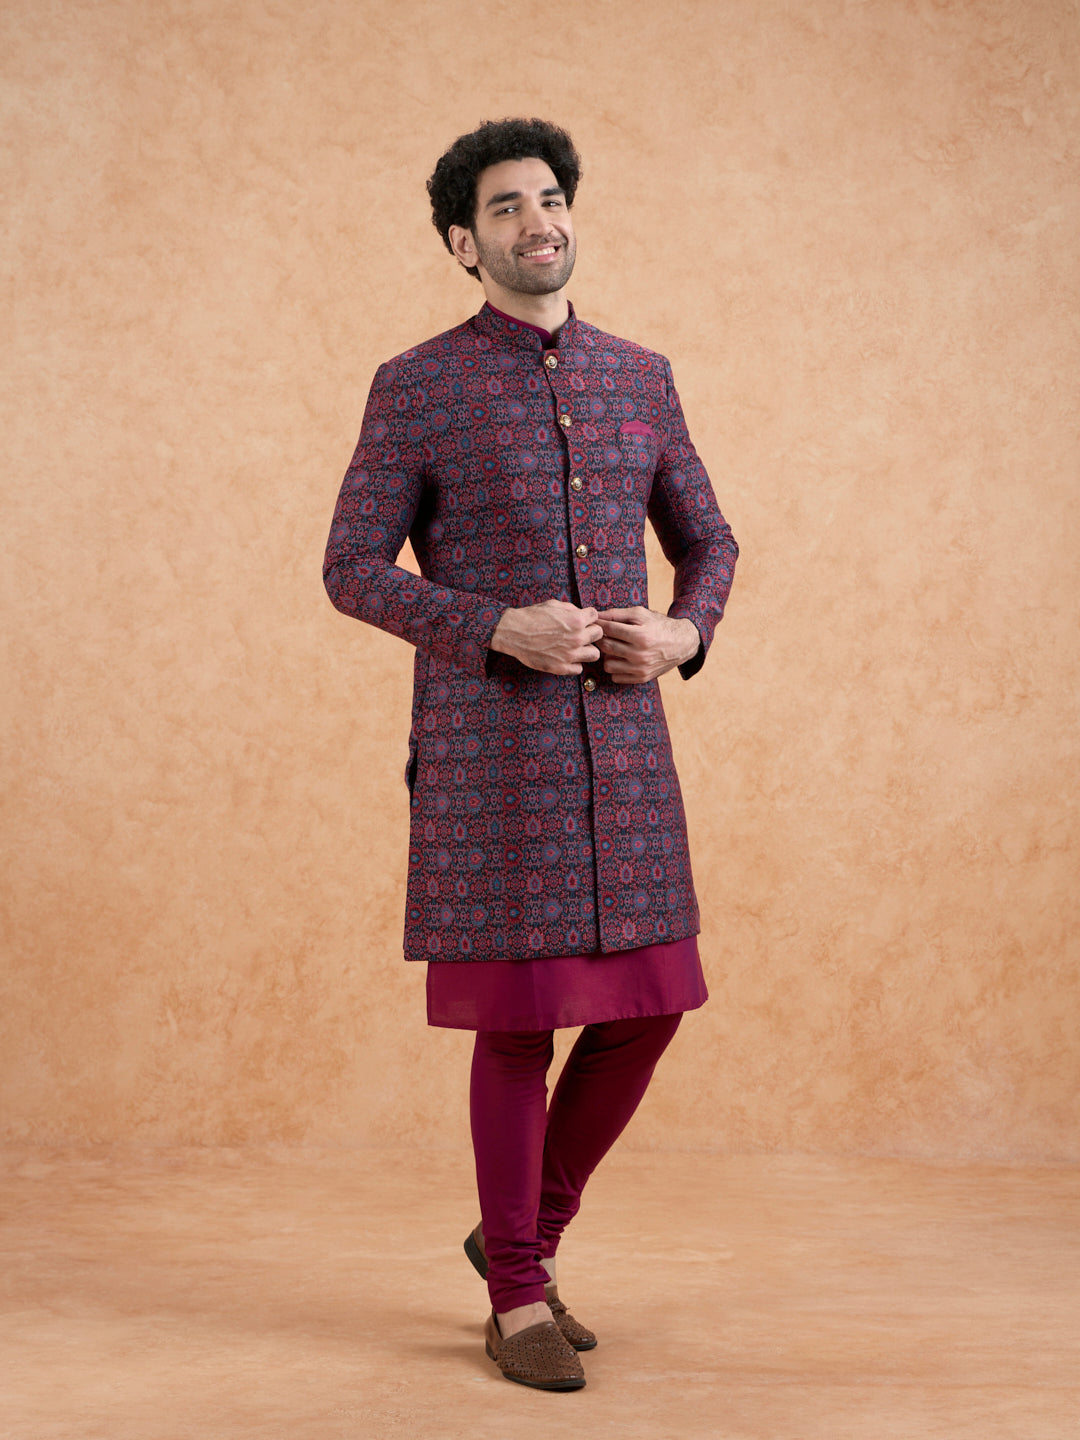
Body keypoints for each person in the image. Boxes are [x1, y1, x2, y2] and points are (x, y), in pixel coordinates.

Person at [323, 118, 737, 1392]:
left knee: (652, 1008)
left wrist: (684, 631)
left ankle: (523, 1237)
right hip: (491, 763)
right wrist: (494, 625)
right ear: (465, 243)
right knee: (517, 1029)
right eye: (504, 207)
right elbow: (350, 568)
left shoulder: (640, 376)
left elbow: (710, 541)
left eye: (549, 198)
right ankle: (518, 1295)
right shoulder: (418, 385)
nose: (536, 221)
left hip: (627, 755)